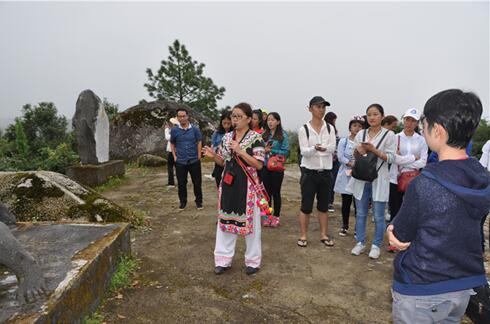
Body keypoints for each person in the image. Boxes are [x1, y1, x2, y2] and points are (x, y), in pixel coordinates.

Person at [387, 89, 490, 324]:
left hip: (423, 287)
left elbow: (401, 237)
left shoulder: (425, 184)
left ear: (438, 130)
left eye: (425, 124)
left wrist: (392, 231)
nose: (423, 130)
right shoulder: (482, 178)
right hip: (463, 287)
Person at [203, 103, 265, 276]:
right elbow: (222, 161)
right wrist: (213, 156)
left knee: (251, 224)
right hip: (229, 183)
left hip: (248, 185)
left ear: (248, 118)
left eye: (238, 116)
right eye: (233, 116)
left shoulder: (256, 138)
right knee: (225, 221)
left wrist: (241, 151)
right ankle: (222, 259)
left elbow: (259, 165)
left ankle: (253, 260)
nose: (234, 120)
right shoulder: (226, 137)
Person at [346, 104, 396, 259]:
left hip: (379, 177)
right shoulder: (361, 133)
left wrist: (374, 150)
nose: (372, 117)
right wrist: (358, 151)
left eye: (375, 114)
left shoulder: (389, 135)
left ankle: (376, 245)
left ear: (382, 116)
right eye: (369, 114)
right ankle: (360, 242)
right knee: (360, 213)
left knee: (379, 215)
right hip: (361, 177)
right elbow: (353, 155)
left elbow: (392, 158)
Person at [297, 96, 337, 248]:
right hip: (309, 172)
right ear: (310, 108)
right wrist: (315, 148)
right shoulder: (304, 129)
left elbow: (333, 148)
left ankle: (324, 235)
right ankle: (303, 235)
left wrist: (322, 148)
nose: (321, 110)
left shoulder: (330, 128)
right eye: (318, 107)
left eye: (323, 107)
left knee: (323, 206)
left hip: (326, 172)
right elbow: (304, 151)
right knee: (306, 206)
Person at [386, 108, 428, 252]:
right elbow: (393, 158)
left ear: (417, 123)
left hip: (414, 179)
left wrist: (402, 160)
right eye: (407, 119)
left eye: (413, 120)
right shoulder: (395, 137)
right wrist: (412, 158)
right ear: (404, 120)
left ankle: (407, 240)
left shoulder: (422, 140)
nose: (409, 123)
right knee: (395, 210)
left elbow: (423, 162)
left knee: (411, 211)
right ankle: (393, 241)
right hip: (395, 179)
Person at [334, 116, 364, 236]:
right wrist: (351, 164)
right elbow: (340, 157)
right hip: (345, 175)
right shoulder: (344, 141)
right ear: (350, 127)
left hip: (359, 176)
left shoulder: (364, 143)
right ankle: (345, 226)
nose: (357, 128)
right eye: (355, 125)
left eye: (360, 126)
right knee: (346, 202)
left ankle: (358, 228)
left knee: (358, 204)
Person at [170, 108, 203, 211]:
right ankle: (183, 202)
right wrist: (174, 156)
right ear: (177, 118)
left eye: (184, 116)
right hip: (180, 161)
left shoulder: (195, 129)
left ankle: (199, 202)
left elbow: (199, 141)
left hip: (194, 161)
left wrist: (198, 156)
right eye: (180, 116)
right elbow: (172, 143)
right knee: (181, 183)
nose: (182, 118)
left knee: (197, 183)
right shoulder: (174, 130)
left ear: (188, 116)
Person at [262, 112, 289, 227]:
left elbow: (286, 151)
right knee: (266, 193)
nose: (270, 122)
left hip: (277, 168)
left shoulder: (283, 135)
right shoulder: (264, 135)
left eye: (273, 120)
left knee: (276, 192)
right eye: (268, 120)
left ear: (278, 122)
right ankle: (267, 216)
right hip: (264, 166)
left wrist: (272, 151)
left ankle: (276, 217)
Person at [211, 111, 233, 188]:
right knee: (219, 184)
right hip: (219, 161)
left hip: (231, 164)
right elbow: (213, 147)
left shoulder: (235, 133)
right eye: (224, 123)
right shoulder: (217, 133)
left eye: (228, 123)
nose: (226, 126)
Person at [324, 112, 340, 213]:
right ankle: (329, 202)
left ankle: (327, 202)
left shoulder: (329, 129)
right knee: (330, 182)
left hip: (331, 160)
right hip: (331, 160)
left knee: (329, 182)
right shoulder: (329, 129)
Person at [165, 117, 178, 188]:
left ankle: (171, 183)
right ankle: (181, 181)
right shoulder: (179, 130)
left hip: (172, 151)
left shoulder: (174, 131)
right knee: (178, 167)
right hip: (178, 151)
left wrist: (166, 129)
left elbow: (168, 137)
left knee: (170, 167)